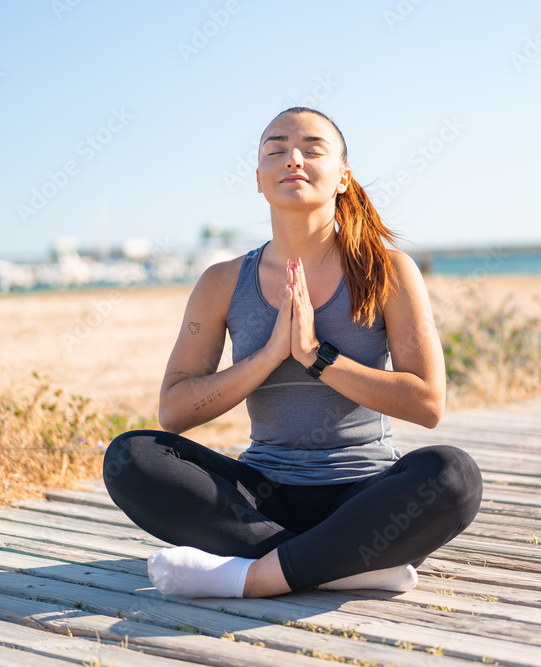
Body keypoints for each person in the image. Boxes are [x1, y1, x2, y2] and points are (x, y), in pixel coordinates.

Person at [102, 107, 483, 599]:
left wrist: (316, 356)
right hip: (259, 498)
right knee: (129, 457)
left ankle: (256, 575)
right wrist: (266, 357)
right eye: (276, 150)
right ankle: (343, 562)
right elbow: (173, 411)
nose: (293, 159)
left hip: (362, 495)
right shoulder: (222, 282)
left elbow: (427, 404)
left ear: (343, 177)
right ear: (259, 179)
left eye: (312, 149)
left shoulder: (388, 270)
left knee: (453, 476)